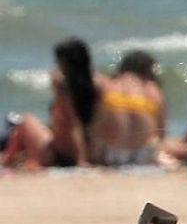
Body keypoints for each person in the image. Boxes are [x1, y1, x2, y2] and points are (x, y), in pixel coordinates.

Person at [1, 38, 103, 169]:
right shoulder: (95, 87)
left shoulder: (65, 89)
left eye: (58, 61)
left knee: (26, 120)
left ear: (65, 63)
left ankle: (5, 160)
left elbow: (73, 124)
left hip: (61, 154)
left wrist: (80, 160)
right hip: (87, 151)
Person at [97, 49, 166, 167]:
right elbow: (160, 132)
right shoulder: (151, 89)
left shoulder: (109, 85)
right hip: (143, 154)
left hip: (110, 153)